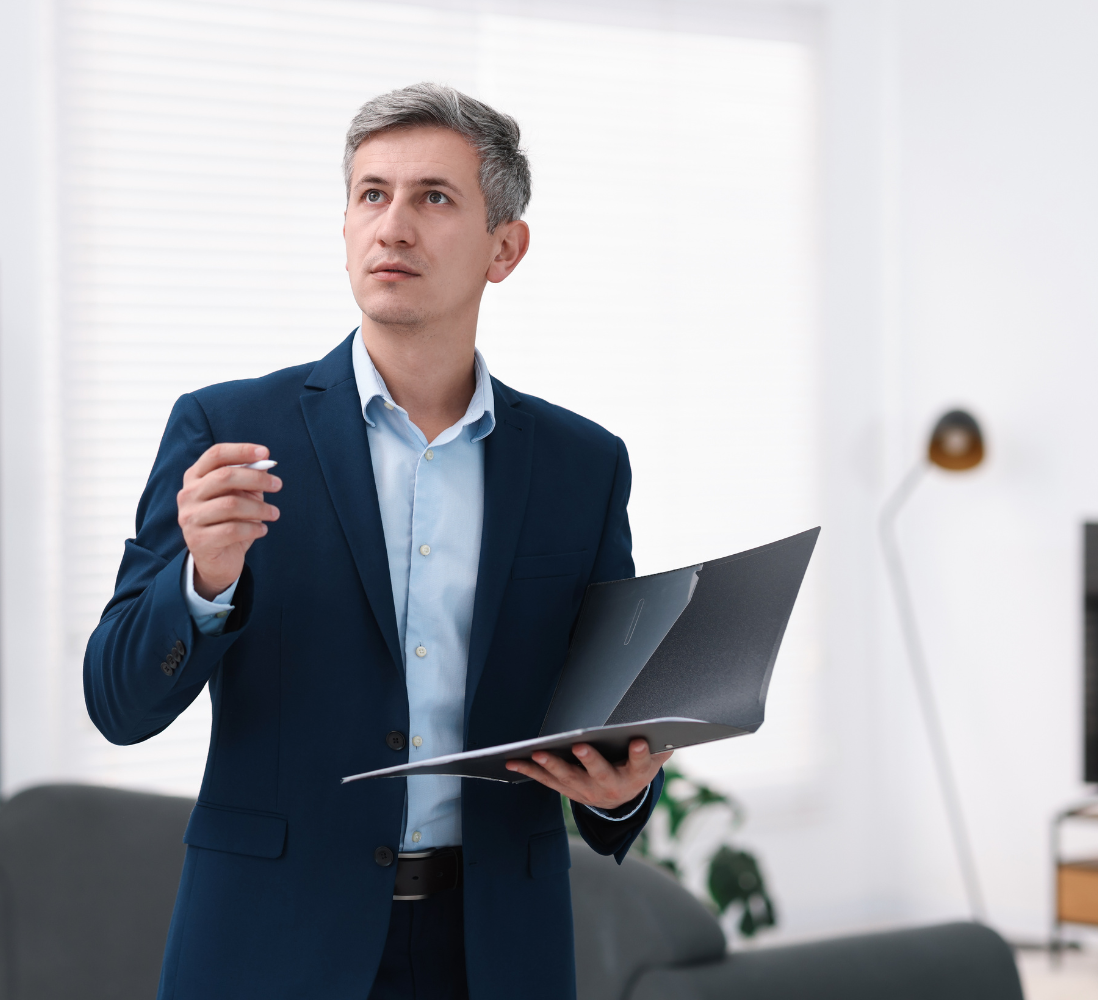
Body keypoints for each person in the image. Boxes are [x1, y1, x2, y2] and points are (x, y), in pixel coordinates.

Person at [84, 82, 671, 1000]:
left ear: (504, 248)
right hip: (270, 946)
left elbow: (605, 714)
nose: (392, 225)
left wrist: (621, 791)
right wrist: (202, 579)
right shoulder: (227, 431)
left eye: (434, 197)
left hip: (494, 951)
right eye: (371, 194)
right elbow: (118, 704)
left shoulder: (582, 465)